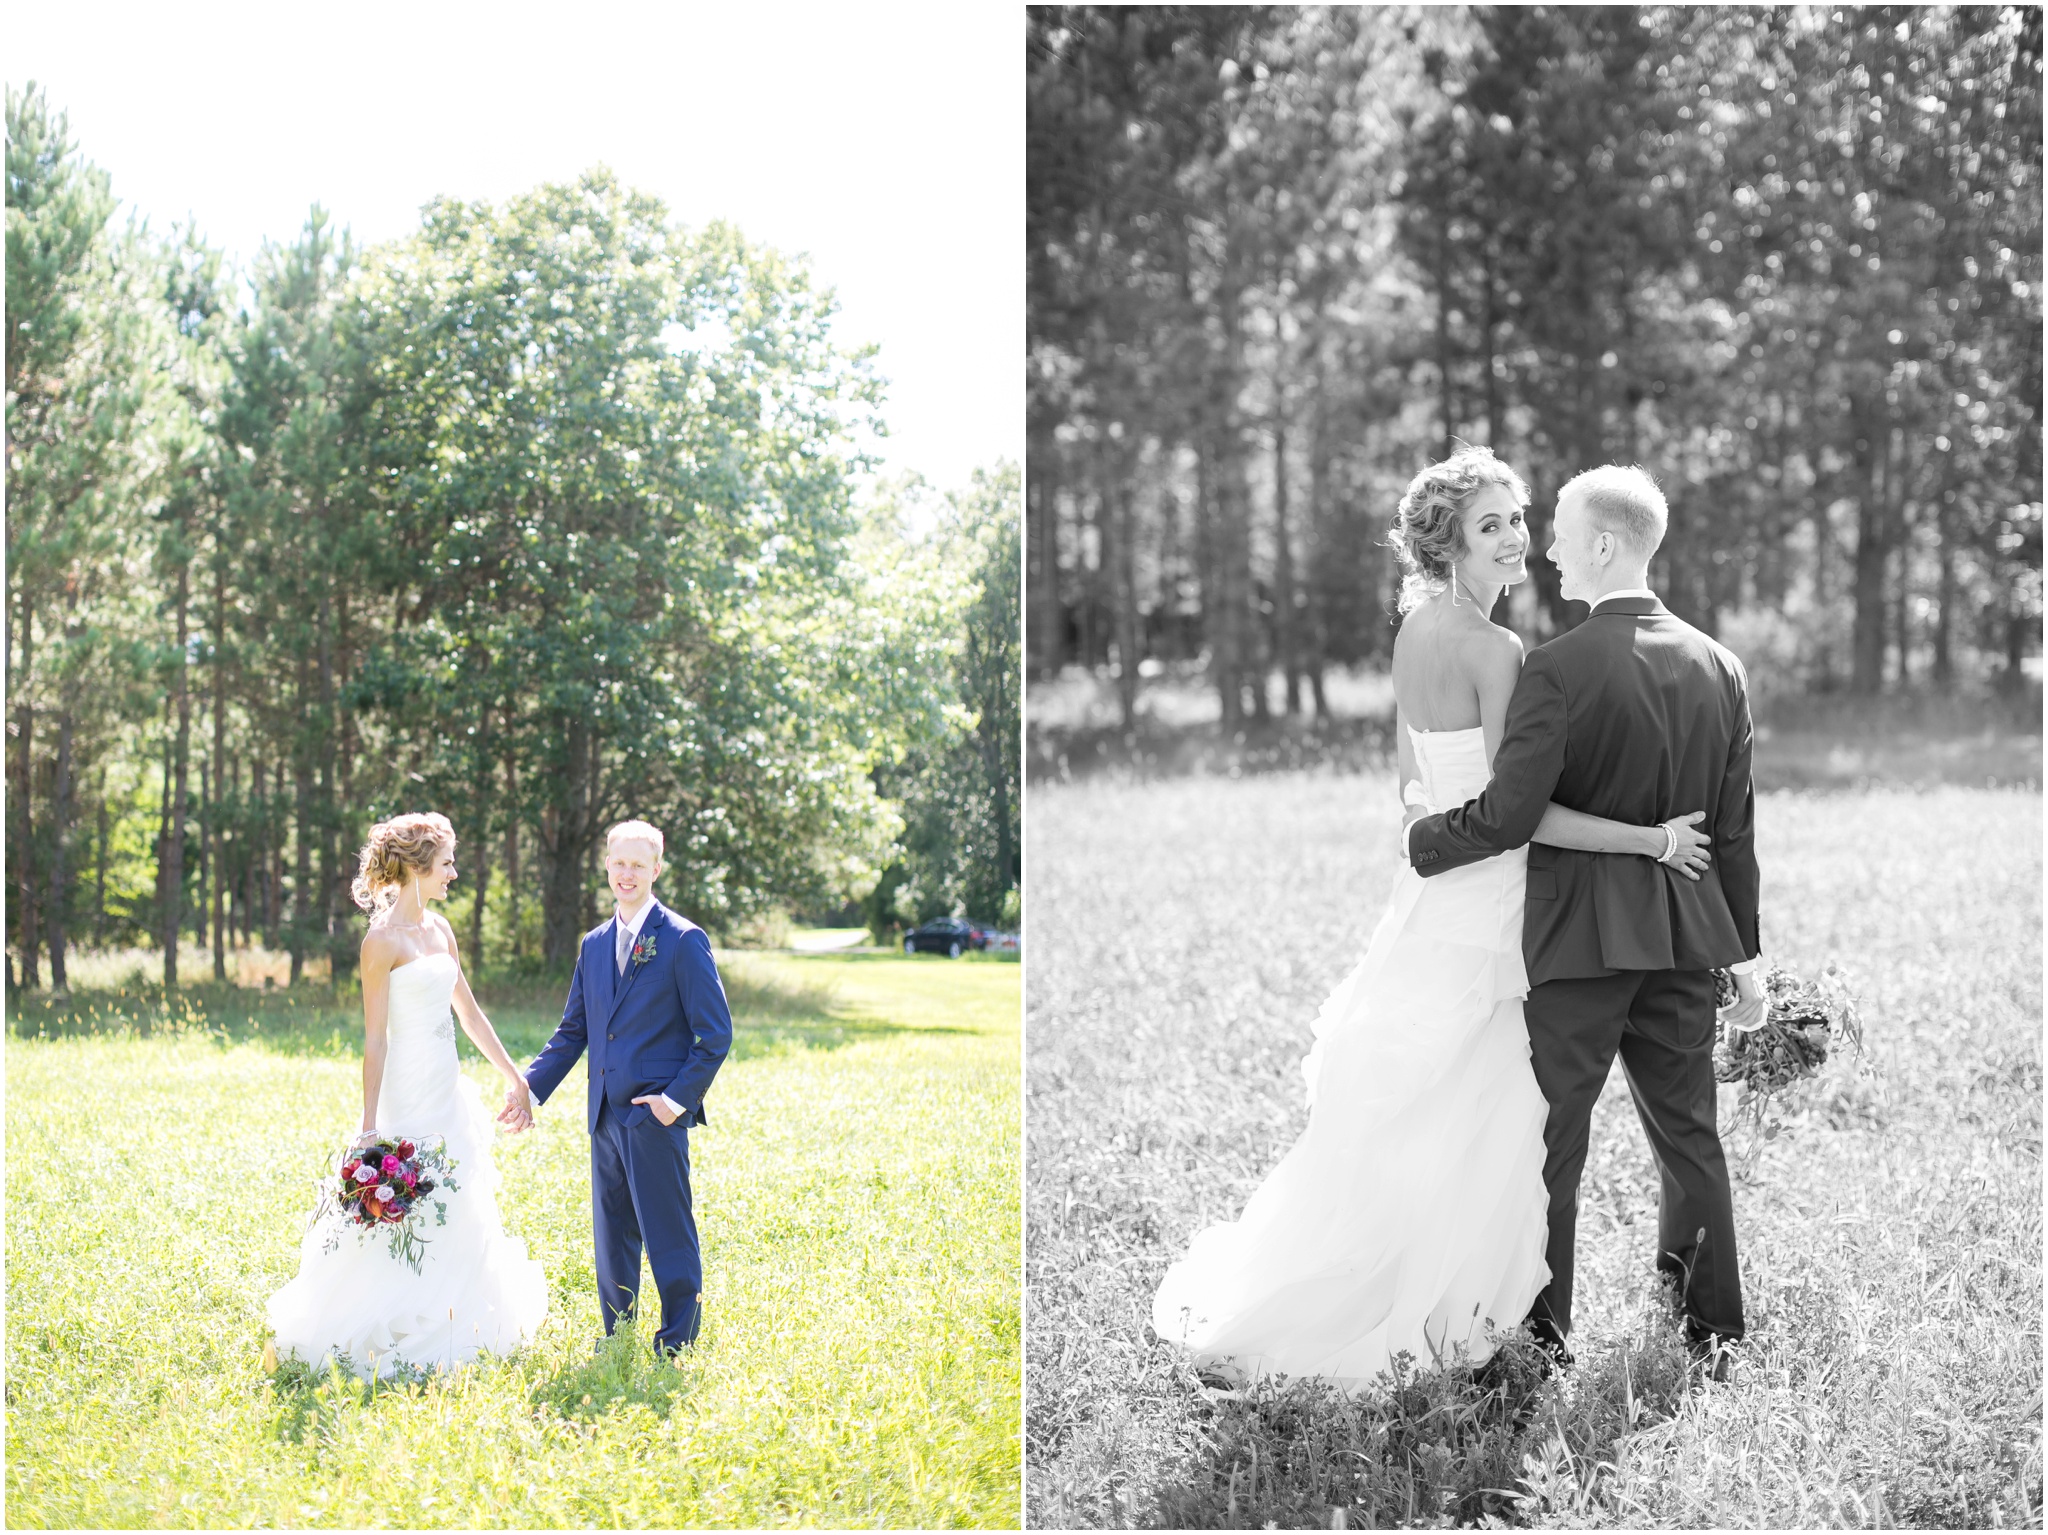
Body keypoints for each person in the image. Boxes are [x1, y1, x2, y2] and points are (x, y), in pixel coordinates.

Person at [1151, 445, 1720, 1390]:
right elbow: (1520, 812)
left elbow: (1412, 785)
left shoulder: (1415, 629)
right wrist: (1651, 841)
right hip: (1496, 897)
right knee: (1495, 1112)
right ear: (1447, 544)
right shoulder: (1499, 650)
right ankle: (1471, 1315)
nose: (1515, 539)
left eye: (1517, 519)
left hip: (1431, 895)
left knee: (1424, 1106)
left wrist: (1426, 834)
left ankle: (1414, 1289)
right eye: (1490, 525)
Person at [1405, 462, 1766, 1379]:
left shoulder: (1556, 668)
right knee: (1690, 1137)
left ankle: (1541, 1341)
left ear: (1604, 544)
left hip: (1575, 950)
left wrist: (1426, 840)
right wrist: (1749, 962)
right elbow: (1734, 836)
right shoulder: (1721, 667)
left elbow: (1510, 813)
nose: (1549, 546)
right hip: (1684, 944)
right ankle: (1711, 1328)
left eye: (1559, 529)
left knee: (1553, 1147)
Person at [267, 812, 547, 1378]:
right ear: (418, 867)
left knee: (460, 1194)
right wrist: (368, 1126)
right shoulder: (380, 943)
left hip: (446, 1086)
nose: (454, 873)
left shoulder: (441, 930)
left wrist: (514, 1075)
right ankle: (389, 1320)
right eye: (446, 863)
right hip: (404, 1091)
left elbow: (467, 1011)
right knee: (406, 1202)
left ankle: (456, 1313)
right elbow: (375, 1039)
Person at [510, 820, 733, 1353]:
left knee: (667, 1231)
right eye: (618, 862)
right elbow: (575, 1031)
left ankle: (676, 1340)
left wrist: (674, 1102)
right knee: (612, 1237)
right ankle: (618, 1335)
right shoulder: (593, 945)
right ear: (606, 865)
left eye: (638, 864)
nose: (626, 873)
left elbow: (716, 1034)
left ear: (656, 869)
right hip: (603, 1116)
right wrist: (528, 1088)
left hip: (655, 1115)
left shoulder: (682, 940)